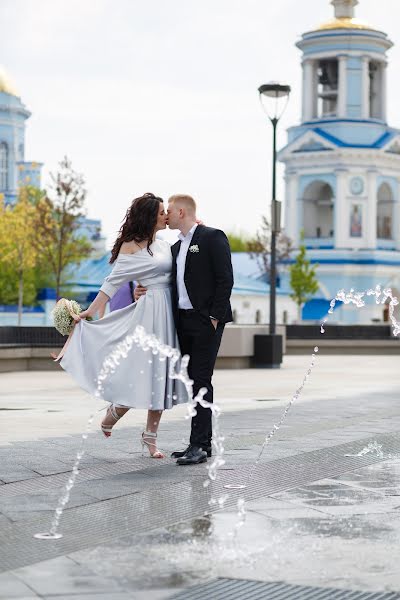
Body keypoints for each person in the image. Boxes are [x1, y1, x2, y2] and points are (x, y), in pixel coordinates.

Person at [59, 192, 188, 458]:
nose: (166, 216)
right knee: (138, 371)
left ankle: (150, 437)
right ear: (150, 216)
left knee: (162, 376)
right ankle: (114, 413)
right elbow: (112, 283)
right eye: (162, 212)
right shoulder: (130, 246)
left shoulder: (165, 244)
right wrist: (89, 312)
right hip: (147, 315)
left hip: (168, 314)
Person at [135, 194, 234, 465]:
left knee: (201, 379)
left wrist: (214, 317)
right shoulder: (176, 247)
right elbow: (165, 281)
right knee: (192, 381)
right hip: (182, 322)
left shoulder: (213, 237)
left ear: (181, 211)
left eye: (168, 210)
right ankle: (200, 442)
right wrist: (140, 288)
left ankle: (200, 446)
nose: (165, 215)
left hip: (206, 322)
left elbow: (226, 279)